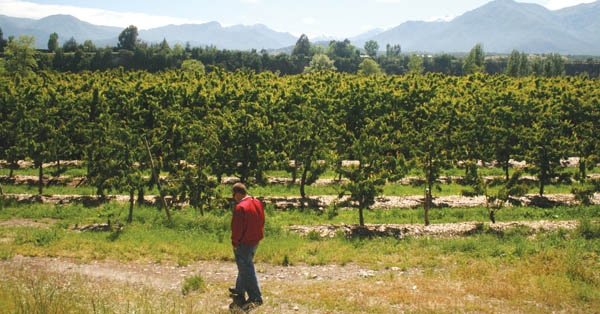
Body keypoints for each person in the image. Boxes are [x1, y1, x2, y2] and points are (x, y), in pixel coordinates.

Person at [230, 182, 265, 310]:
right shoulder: (257, 202)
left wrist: (234, 242)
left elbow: (236, 228)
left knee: (247, 268)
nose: (234, 198)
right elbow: (262, 219)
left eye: (234, 195)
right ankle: (239, 290)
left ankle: (255, 297)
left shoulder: (240, 208)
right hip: (255, 239)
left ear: (237, 193)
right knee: (245, 265)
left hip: (244, 242)